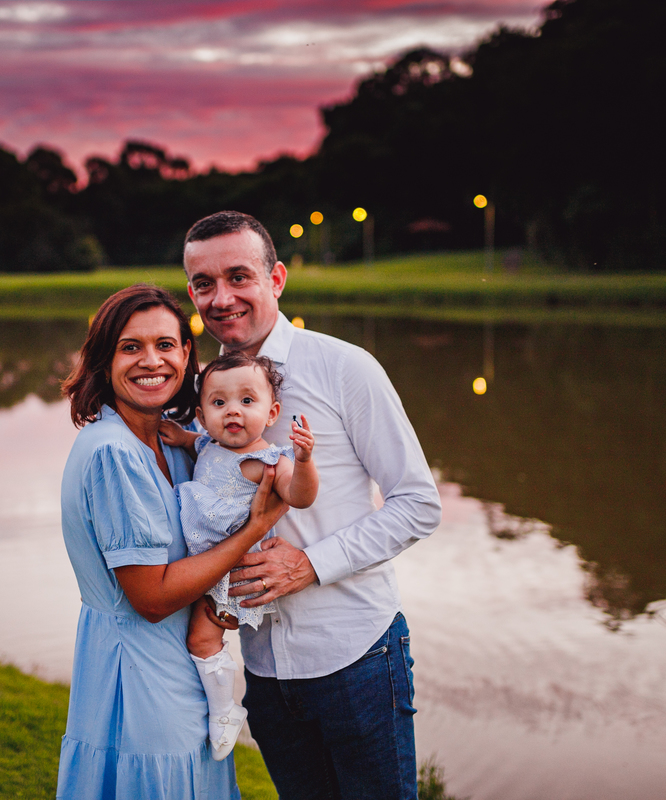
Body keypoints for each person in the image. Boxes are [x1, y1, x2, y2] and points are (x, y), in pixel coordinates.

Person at [182, 211, 443, 799]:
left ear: (276, 279)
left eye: (238, 276)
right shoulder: (203, 391)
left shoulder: (344, 367)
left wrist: (310, 565)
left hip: (356, 653)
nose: (221, 298)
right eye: (203, 283)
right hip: (263, 668)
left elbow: (418, 503)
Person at [57, 284, 288, 799]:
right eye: (130, 347)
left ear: (186, 355)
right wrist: (254, 530)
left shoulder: (174, 441)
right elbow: (153, 598)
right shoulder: (114, 453)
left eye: (165, 344)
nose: (151, 361)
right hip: (140, 675)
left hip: (183, 665)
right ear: (104, 360)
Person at [159, 351, 318, 761]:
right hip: (203, 562)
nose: (233, 410)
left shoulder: (268, 461)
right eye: (219, 402)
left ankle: (225, 711)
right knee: (194, 636)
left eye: (247, 401)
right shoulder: (209, 443)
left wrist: (303, 462)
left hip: (231, 574)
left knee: (202, 638)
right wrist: (180, 436)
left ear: (271, 413)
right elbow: (198, 443)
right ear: (202, 415)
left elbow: (300, 496)